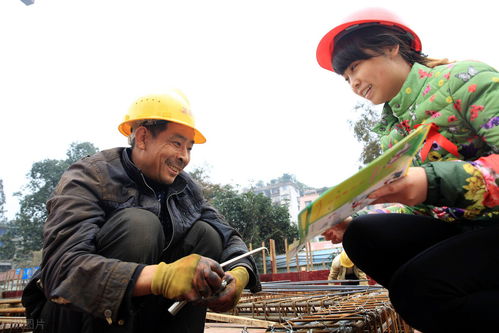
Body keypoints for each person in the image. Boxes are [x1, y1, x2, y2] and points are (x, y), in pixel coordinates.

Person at [316, 8, 499, 333]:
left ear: (391, 47)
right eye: (345, 77)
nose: (353, 83)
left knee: (418, 288)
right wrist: (351, 220)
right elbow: (421, 206)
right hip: (462, 231)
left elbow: (428, 184)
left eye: (355, 66)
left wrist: (428, 181)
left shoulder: (466, 79)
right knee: (364, 236)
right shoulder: (393, 131)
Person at [21, 90, 261, 333]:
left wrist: (240, 272)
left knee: (207, 234)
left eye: (189, 148)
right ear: (143, 137)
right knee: (139, 226)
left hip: (142, 314)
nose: (184, 157)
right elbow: (63, 272)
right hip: (71, 315)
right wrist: (161, 277)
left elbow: (227, 235)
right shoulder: (90, 176)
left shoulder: (185, 189)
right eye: (177, 143)